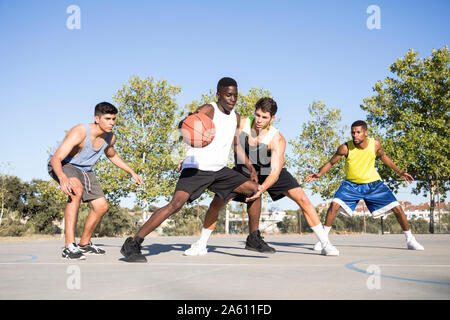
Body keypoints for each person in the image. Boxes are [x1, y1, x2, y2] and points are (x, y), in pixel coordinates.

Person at [120, 77, 260, 262]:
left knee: (255, 190)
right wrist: (182, 148)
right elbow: (183, 126)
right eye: (228, 95)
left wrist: (250, 166)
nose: (232, 99)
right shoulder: (208, 109)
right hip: (197, 168)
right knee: (175, 205)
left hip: (219, 170)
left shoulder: (235, 117)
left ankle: (253, 238)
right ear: (218, 95)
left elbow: (235, 144)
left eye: (235, 95)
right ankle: (133, 243)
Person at [184, 97, 339, 257]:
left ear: (272, 118)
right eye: (257, 115)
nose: (259, 120)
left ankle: (326, 244)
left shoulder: (276, 138)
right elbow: (209, 133)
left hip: (268, 171)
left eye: (264, 117)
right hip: (243, 170)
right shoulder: (241, 124)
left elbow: (275, 172)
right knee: (216, 203)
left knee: (303, 199)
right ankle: (201, 244)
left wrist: (262, 189)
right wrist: (191, 156)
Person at [305, 120, 424, 252]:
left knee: (397, 208)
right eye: (352, 132)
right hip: (351, 185)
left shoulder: (375, 144)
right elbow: (331, 162)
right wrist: (319, 173)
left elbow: (384, 157)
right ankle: (324, 240)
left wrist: (400, 172)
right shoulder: (345, 147)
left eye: (358, 132)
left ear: (365, 133)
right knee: (334, 205)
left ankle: (410, 240)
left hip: (374, 185)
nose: (355, 135)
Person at [48, 102, 143, 260]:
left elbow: (111, 155)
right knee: (76, 190)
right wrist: (63, 177)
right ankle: (69, 246)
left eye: (113, 119)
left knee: (101, 206)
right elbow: (56, 158)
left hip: (85, 169)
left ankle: (84, 243)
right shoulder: (80, 131)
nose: (112, 122)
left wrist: (131, 171)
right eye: (107, 118)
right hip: (64, 164)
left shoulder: (110, 137)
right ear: (96, 119)